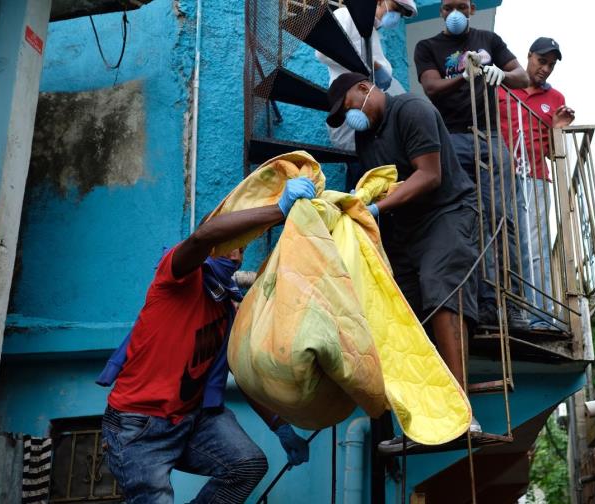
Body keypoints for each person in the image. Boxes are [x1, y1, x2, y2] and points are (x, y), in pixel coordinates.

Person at [98, 178, 315, 504]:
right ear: (213, 242)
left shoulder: (228, 307)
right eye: (234, 244)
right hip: (139, 426)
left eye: (243, 249)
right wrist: (278, 209)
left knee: (247, 466)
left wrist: (280, 426)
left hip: (192, 419)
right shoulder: (179, 276)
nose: (239, 258)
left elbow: (242, 374)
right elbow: (202, 235)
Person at [324, 72, 481, 450]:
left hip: (447, 212)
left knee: (439, 287)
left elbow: (429, 175)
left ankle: (462, 414)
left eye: (349, 108)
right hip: (405, 229)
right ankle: (425, 419)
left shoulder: (411, 108)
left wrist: (374, 207)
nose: (351, 119)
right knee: (401, 315)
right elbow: (377, 180)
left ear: (365, 88)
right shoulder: (365, 137)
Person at [413, 0, 530, 328]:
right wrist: (466, 76)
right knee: (464, 221)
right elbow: (431, 87)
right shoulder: (428, 46)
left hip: (490, 138)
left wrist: (500, 74)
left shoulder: (488, 39)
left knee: (501, 219)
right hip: (450, 141)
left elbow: (522, 75)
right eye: (448, 6)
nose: (455, 12)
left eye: (461, 6)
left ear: (472, 9)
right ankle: (479, 303)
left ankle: (511, 304)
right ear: (440, 12)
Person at [498, 37, 575, 330]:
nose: (545, 69)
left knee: (538, 246)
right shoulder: (504, 88)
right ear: (528, 56)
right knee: (507, 245)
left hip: (536, 178)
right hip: (504, 178)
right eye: (542, 61)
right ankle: (512, 311)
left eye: (551, 65)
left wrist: (557, 130)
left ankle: (542, 317)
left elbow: (552, 151)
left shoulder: (556, 98)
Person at [316, 0, 417, 189]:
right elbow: (323, 52)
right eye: (396, 10)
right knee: (358, 170)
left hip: (371, 112)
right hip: (351, 104)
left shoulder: (373, 35)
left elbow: (382, 72)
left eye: (401, 14)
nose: (396, 18)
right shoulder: (345, 16)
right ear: (380, 1)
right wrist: (371, 65)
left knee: (375, 175)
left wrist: (381, 69)